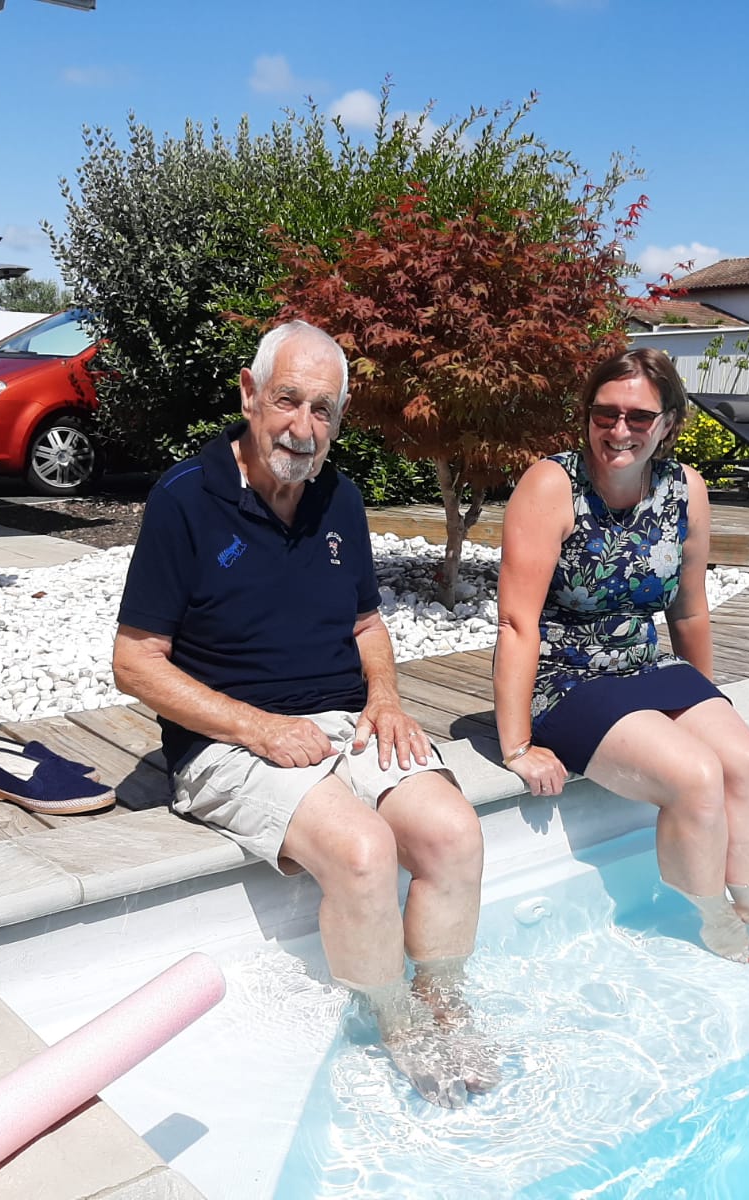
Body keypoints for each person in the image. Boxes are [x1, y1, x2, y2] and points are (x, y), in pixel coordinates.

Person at [113, 320, 493, 1106]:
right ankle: (392, 1019)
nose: (303, 426)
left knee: (454, 833)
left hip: (346, 719)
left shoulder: (338, 498)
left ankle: (444, 1003)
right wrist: (256, 728)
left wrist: (386, 697)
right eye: (288, 400)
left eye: (323, 410)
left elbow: (366, 623)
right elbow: (135, 661)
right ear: (249, 396)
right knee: (363, 851)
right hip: (229, 740)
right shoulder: (185, 501)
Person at [493, 347, 749, 968]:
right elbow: (516, 621)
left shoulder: (685, 489)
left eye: (638, 416)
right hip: (566, 676)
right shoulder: (552, 485)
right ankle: (711, 913)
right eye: (604, 413)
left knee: (744, 762)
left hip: (645, 666)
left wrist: (705, 702)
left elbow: (689, 610)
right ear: (586, 416)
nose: (619, 429)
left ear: (668, 424)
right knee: (695, 776)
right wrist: (517, 745)